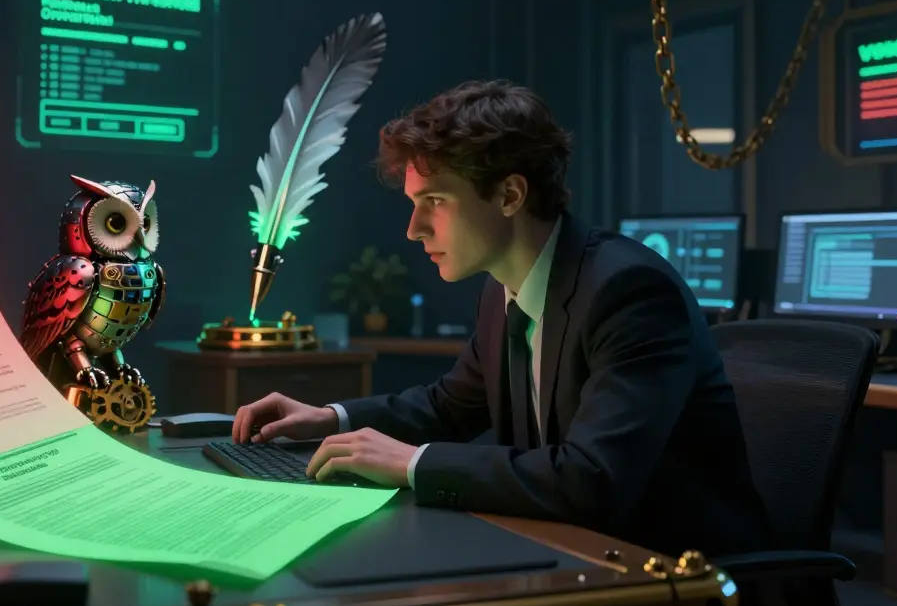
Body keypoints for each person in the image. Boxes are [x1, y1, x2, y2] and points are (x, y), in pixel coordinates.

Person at [231, 79, 771, 558]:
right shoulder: (504, 287)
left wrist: (414, 463)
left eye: (435, 201)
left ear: (510, 195)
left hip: (677, 578)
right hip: (573, 551)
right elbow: (450, 405)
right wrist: (331, 417)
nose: (414, 229)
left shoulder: (629, 292)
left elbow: (593, 479)